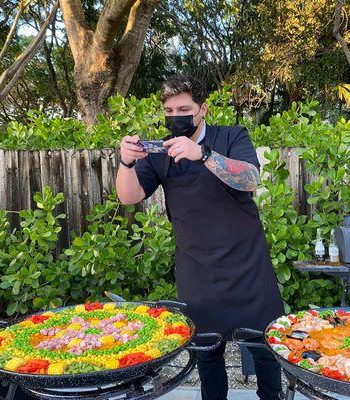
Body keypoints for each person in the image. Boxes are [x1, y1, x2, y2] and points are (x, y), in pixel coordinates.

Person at [115, 75, 284, 400]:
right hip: (198, 271)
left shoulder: (232, 136)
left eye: (184, 108)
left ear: (202, 109)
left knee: (265, 347)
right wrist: (125, 161)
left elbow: (250, 178)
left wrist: (202, 154)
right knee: (208, 355)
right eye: (169, 109)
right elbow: (129, 196)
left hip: (247, 266)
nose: (176, 115)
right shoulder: (159, 152)